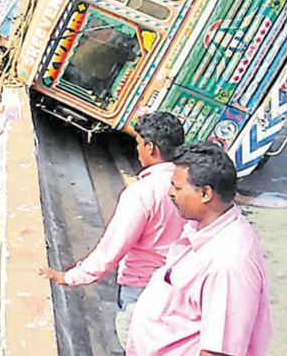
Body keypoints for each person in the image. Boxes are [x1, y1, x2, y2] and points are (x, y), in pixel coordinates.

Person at [40, 112, 186, 343]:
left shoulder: (142, 193)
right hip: (182, 291)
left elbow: (111, 250)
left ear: (151, 148)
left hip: (142, 290)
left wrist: (69, 277)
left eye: (138, 144)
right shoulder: (193, 187)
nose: (136, 150)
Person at [126, 142, 272, 356]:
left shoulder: (228, 264)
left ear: (205, 193)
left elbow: (219, 351)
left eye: (177, 187)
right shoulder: (202, 229)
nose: (170, 193)